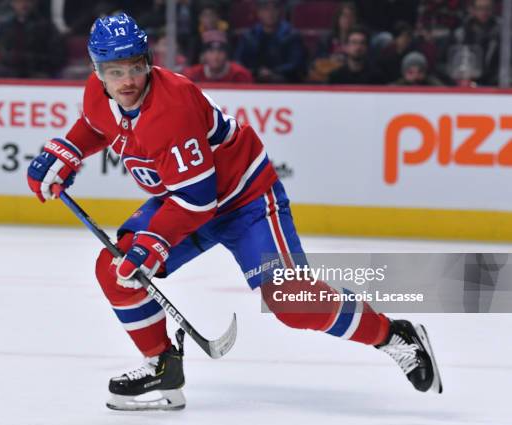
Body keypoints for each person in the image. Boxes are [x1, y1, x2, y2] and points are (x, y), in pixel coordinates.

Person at [27, 13, 442, 411]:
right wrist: (68, 150)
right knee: (115, 269)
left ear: (148, 61)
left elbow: (198, 199)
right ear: (97, 71)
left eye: (135, 67)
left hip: (245, 201)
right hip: (185, 201)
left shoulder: (171, 108)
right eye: (115, 72)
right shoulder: (97, 93)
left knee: (293, 302)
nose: (128, 81)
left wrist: (152, 243)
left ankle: (394, 336)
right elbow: (99, 125)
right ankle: (162, 367)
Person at [234, 0, 306, 83]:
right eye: (265, 9)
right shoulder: (249, 36)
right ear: (258, 12)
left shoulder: (292, 36)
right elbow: (238, 63)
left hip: (285, 84)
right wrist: (256, 72)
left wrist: (273, 72)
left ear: (280, 11)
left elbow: (297, 64)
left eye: (274, 9)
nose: (270, 13)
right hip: (253, 83)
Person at [0, 0, 65, 78]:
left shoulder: (46, 27)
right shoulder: (5, 28)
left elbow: (57, 56)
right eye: (19, 1)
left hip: (38, 76)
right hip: (10, 77)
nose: (24, 4)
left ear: (34, 2)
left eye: (28, 1)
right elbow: (0, 53)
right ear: (13, 3)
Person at [450, 0, 500, 86]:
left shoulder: (502, 33)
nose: (484, 12)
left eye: (487, 8)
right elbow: (447, 61)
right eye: (480, 8)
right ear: (472, 9)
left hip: (494, 85)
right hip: (464, 83)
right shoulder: (460, 34)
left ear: (493, 9)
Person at [183, 30, 253, 83]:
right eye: (211, 51)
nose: (216, 57)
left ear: (227, 54)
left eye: (220, 51)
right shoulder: (192, 74)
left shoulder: (240, 74)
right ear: (204, 55)